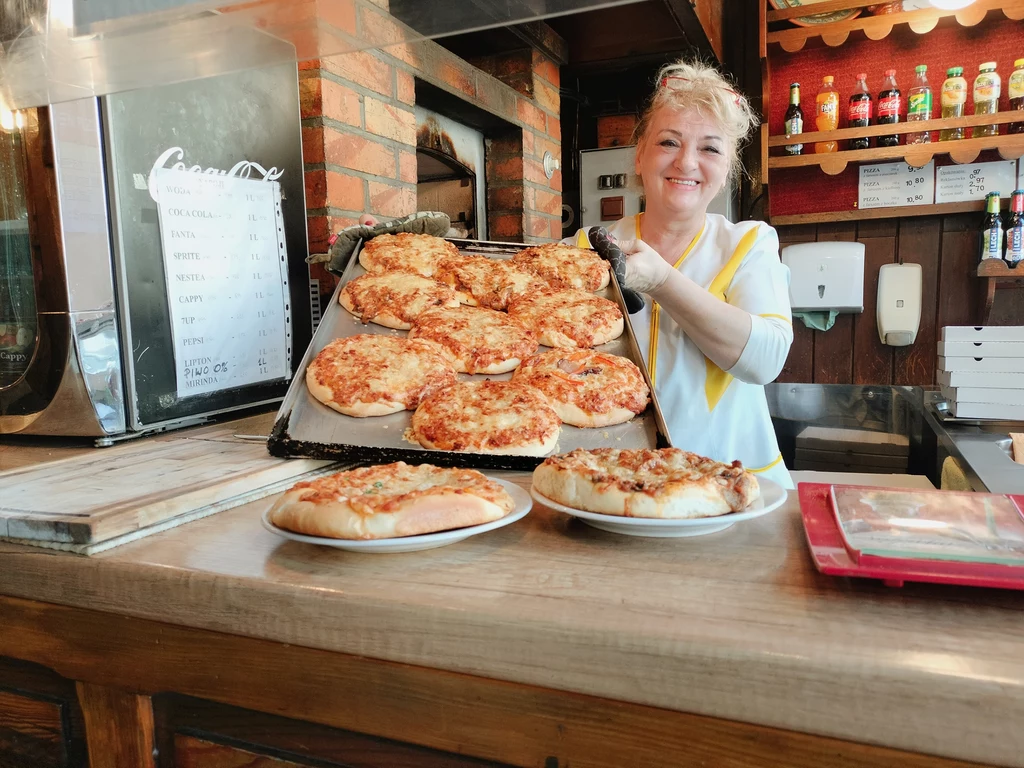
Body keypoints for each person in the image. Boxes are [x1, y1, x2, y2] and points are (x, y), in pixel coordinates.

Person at [569, 59, 794, 489]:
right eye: (669, 142)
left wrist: (660, 282)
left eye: (710, 148)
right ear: (639, 156)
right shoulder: (583, 249)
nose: (687, 162)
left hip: (731, 488)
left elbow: (766, 359)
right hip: (612, 486)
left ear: (727, 167)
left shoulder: (748, 244)